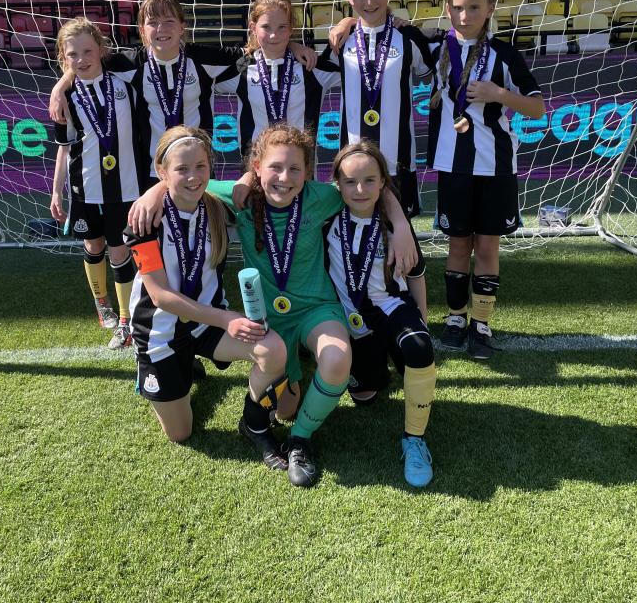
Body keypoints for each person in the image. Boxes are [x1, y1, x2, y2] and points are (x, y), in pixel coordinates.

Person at [129, 124, 419, 488]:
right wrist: (154, 193)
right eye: (275, 168)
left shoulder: (321, 197)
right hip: (262, 319)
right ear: (256, 169)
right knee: (196, 429)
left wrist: (402, 225)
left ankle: (299, 441)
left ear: (308, 173)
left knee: (336, 358)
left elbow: (375, 189)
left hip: (316, 310)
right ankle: (275, 385)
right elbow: (184, 177)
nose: (284, 178)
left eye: (295, 169)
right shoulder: (238, 197)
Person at [124, 126, 290, 469]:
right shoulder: (144, 222)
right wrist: (228, 319)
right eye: (181, 169)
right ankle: (161, 370)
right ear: (162, 172)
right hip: (161, 334)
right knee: (180, 433)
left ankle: (254, 423)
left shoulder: (216, 207)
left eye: (201, 166)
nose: (193, 177)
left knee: (273, 350)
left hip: (204, 326)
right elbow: (160, 296)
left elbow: (256, 177)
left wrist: (244, 178)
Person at [48, 0, 317, 178]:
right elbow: (88, 61)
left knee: (205, 237)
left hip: (199, 169)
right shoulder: (131, 63)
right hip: (153, 170)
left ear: (181, 27)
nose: (161, 29)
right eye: (153, 23)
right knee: (152, 237)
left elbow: (256, 52)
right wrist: (61, 85)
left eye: (169, 22)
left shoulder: (202, 59)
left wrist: (291, 44)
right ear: (142, 30)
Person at [427, 0, 546, 359]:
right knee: (458, 245)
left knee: (488, 247)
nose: (464, 15)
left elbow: (537, 106)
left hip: (495, 167)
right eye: (457, 7)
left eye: (474, 7)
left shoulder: (505, 54)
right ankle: (456, 318)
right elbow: (392, 34)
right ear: (447, 9)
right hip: (453, 167)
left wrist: (498, 93)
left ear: (490, 8)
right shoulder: (436, 48)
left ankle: (481, 323)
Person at [325, 141, 436, 487]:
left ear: (383, 183)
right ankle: (378, 369)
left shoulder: (394, 224)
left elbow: (416, 276)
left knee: (419, 349)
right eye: (350, 182)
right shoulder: (324, 219)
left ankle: (414, 439)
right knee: (365, 396)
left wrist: (423, 320)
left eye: (370, 181)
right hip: (350, 316)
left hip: (391, 306)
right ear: (337, 185)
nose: (360, 190)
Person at [50, 17, 146, 349]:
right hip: (84, 186)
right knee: (93, 245)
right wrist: (56, 190)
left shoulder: (123, 78)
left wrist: (59, 82)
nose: (81, 59)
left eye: (88, 51)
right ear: (64, 59)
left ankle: (125, 320)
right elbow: (65, 148)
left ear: (101, 50)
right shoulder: (66, 98)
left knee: (119, 248)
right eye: (72, 54)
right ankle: (100, 302)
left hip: (126, 185)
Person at [321, 0, 435, 217]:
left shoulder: (409, 38)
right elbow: (311, 72)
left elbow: (436, 68)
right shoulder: (341, 41)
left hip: (398, 160)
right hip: (351, 163)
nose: (369, 2)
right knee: (351, 237)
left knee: (398, 238)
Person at [218, 0, 339, 155]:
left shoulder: (309, 65)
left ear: (291, 29)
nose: (274, 35)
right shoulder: (243, 66)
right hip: (256, 165)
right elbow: (203, 80)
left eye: (282, 27)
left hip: (299, 165)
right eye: (266, 27)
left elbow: (355, 69)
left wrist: (348, 21)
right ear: (253, 28)